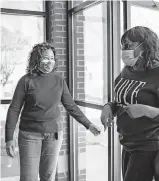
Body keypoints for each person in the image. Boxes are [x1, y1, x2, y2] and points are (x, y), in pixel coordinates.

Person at [5, 42, 101, 181]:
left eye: (51, 58)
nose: (49, 62)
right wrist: (9, 138)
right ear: (36, 60)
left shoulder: (58, 79)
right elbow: (14, 109)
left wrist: (89, 124)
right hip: (29, 135)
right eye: (45, 58)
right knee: (28, 178)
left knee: (48, 176)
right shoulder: (26, 81)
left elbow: (71, 106)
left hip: (54, 135)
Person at [100, 26, 159, 181]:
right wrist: (108, 107)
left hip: (149, 146)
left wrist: (147, 110)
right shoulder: (128, 70)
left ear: (145, 46)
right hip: (127, 143)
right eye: (123, 45)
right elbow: (123, 100)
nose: (124, 50)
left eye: (129, 45)